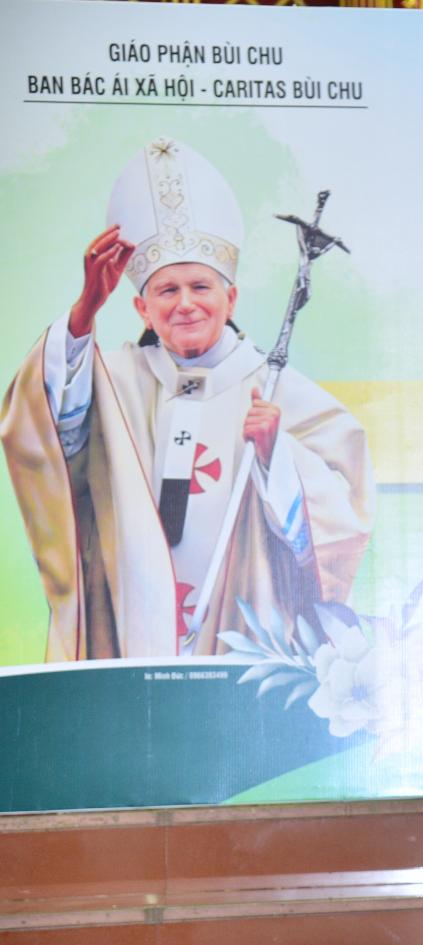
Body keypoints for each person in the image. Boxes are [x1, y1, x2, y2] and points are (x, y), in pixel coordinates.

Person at [0, 138, 372, 661]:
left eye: (201, 286)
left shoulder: (275, 389)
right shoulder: (113, 380)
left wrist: (277, 458)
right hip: (129, 630)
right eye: (167, 290)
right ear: (142, 309)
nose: (186, 304)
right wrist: (85, 311)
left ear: (230, 299)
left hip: (244, 625)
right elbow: (45, 430)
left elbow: (345, 515)